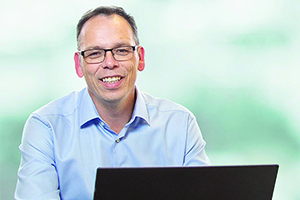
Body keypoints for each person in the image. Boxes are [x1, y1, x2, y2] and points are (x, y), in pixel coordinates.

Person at [15, 6, 210, 200]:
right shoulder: (46, 127)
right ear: (78, 64)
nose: (109, 63)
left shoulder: (180, 124)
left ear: (140, 58)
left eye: (121, 50)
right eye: (94, 53)